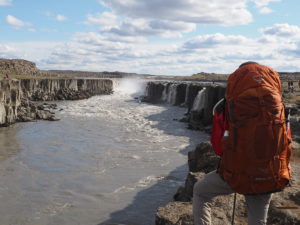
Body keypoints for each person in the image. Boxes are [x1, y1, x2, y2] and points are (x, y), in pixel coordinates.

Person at [193, 62, 292, 225]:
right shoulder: (280, 109)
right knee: (258, 219)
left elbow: (218, 147)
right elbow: (286, 142)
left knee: (200, 192)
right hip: (271, 174)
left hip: (237, 174)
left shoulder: (225, 106)